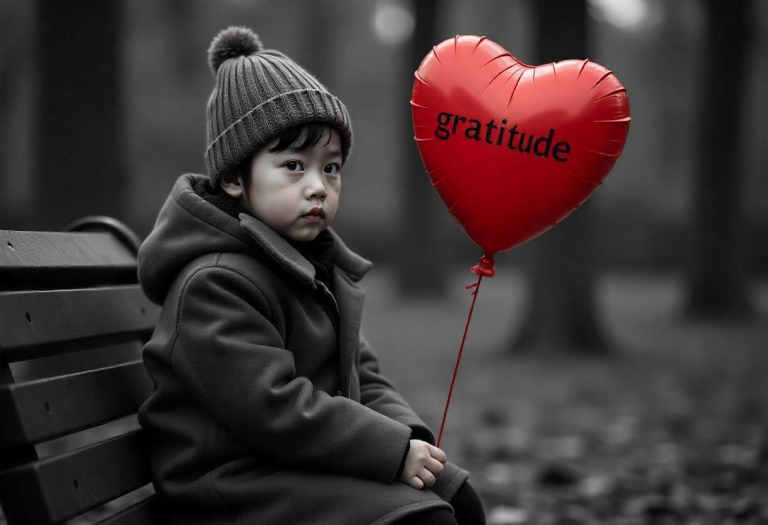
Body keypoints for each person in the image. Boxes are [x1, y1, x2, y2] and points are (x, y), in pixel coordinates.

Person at [137, 26, 486, 525]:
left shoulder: (314, 266)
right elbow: (274, 407)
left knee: (457, 496)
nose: (318, 187)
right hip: (228, 483)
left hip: (295, 462)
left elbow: (362, 373)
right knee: (420, 520)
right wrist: (386, 451)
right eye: (294, 166)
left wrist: (407, 437)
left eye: (331, 168)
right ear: (235, 178)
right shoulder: (213, 284)